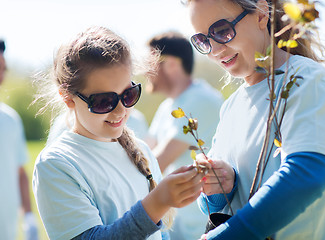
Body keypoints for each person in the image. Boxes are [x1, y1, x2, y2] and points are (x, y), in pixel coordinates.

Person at [183, 0, 325, 239]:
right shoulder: (231, 106)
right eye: (203, 40)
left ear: (262, 14)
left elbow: (306, 175)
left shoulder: (306, 79)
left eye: (221, 31)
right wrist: (218, 187)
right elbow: (212, 207)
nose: (215, 50)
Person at [32, 26, 206, 240]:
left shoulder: (141, 151)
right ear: (68, 98)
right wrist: (157, 204)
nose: (121, 110)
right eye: (104, 101)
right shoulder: (57, 164)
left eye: (128, 95)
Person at [145, 32, 224, 240]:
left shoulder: (200, 100)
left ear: (170, 64)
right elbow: (143, 152)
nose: (145, 71)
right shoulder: (167, 107)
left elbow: (154, 164)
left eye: (149, 62)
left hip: (199, 229)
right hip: (177, 228)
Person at [0, 40, 38, 240]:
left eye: (3, 69)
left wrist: (29, 216)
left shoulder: (10, 119)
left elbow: (20, 172)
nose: (1, 76)